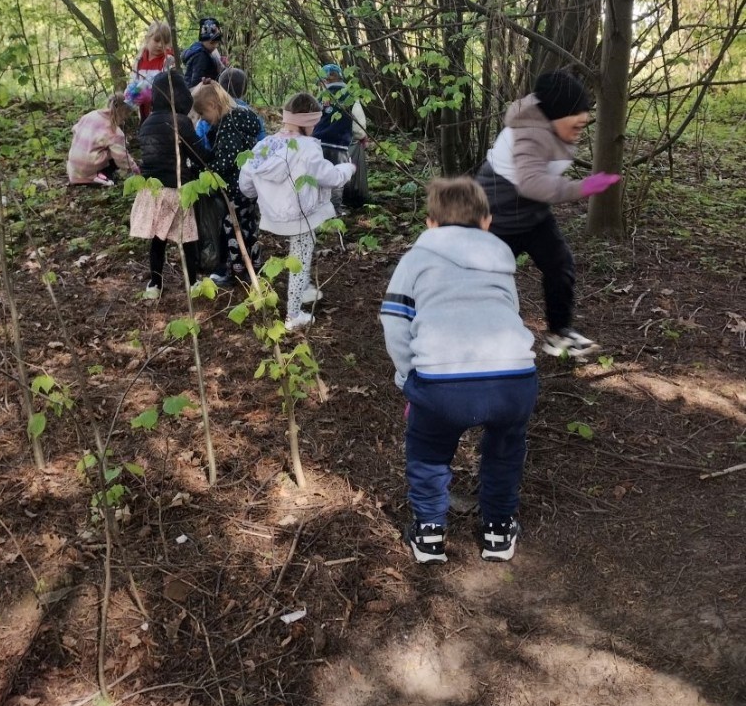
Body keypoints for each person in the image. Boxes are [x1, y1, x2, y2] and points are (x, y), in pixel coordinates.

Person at [380, 177, 537, 564]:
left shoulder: (416, 257)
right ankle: (498, 532)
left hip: (441, 384)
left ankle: (430, 533)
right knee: (505, 451)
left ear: (430, 223)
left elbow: (395, 319)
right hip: (513, 378)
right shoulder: (501, 257)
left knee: (429, 452)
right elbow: (510, 312)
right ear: (486, 221)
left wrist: (408, 376)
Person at [476, 69, 621, 360]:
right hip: (498, 213)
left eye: (585, 112)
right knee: (487, 278)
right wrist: (582, 188)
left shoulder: (552, 122)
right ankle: (478, 340)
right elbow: (532, 183)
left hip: (531, 212)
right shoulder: (529, 134)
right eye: (577, 113)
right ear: (556, 114)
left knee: (560, 265)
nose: (585, 119)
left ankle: (559, 334)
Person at [239, 92, 355, 330]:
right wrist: (347, 168)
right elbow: (329, 177)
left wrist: (260, 197)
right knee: (299, 260)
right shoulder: (308, 149)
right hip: (301, 214)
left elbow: (246, 183)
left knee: (302, 252)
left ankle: (303, 289)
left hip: (274, 215)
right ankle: (293, 315)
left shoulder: (264, 145)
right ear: (310, 122)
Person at [130, 71, 207, 300]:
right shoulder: (180, 122)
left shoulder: (146, 123)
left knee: (158, 239)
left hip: (152, 190)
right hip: (177, 189)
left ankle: (155, 284)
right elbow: (199, 153)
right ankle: (192, 284)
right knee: (188, 239)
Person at [191, 82, 263, 285]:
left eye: (203, 113)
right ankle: (254, 269)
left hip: (237, 187)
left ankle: (235, 272)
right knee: (248, 227)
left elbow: (225, 161)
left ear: (213, 105)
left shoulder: (230, 126)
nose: (204, 119)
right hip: (248, 186)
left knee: (232, 227)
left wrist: (202, 170)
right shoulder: (240, 121)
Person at [313, 63, 364, 213]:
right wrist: (359, 136)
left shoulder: (320, 98)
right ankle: (334, 211)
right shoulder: (350, 96)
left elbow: (313, 119)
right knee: (336, 178)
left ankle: (317, 210)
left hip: (318, 144)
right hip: (340, 145)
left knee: (319, 177)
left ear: (325, 81)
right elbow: (359, 124)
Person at [67, 95, 140, 186]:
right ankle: (100, 177)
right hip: (89, 168)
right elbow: (122, 157)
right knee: (115, 151)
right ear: (123, 113)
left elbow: (75, 130)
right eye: (126, 115)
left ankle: (85, 176)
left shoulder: (90, 115)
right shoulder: (115, 131)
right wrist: (136, 170)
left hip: (73, 167)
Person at [130, 21, 174, 121]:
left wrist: (150, 94)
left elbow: (169, 87)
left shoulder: (167, 61)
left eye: (164, 42)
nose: (160, 45)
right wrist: (132, 92)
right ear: (148, 38)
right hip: (143, 110)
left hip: (162, 112)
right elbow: (134, 80)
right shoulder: (140, 60)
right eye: (156, 40)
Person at [182, 17, 223, 89]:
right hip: (199, 95)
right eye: (212, 43)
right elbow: (196, 82)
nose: (216, 46)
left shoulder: (207, 52)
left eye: (217, 43)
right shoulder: (201, 56)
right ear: (203, 40)